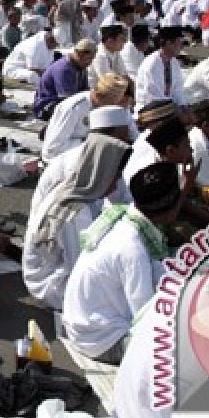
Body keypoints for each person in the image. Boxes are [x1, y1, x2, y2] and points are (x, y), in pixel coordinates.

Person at [61, 161, 181, 364]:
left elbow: (159, 271)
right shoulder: (132, 248)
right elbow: (145, 317)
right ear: (171, 210)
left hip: (86, 324)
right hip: (101, 339)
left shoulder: (128, 219)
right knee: (183, 350)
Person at [24, 131, 131, 310]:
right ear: (102, 173)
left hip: (60, 269)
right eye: (116, 177)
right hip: (52, 283)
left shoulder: (83, 189)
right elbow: (79, 268)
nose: (116, 185)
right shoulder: (75, 212)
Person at [41, 73, 132, 162]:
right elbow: (52, 149)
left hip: (90, 155)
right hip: (62, 161)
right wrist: (91, 143)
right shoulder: (73, 108)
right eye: (111, 103)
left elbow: (131, 133)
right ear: (98, 95)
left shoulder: (112, 105)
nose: (113, 107)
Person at [33, 39, 95, 120]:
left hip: (67, 103)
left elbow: (85, 92)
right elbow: (67, 99)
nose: (90, 62)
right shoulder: (63, 69)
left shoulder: (82, 66)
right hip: (47, 106)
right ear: (79, 54)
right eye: (89, 59)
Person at [135, 25, 186, 112]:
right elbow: (155, 96)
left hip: (167, 106)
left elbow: (178, 90)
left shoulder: (174, 62)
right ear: (169, 43)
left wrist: (183, 106)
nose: (182, 46)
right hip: (150, 110)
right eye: (179, 42)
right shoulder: (152, 64)